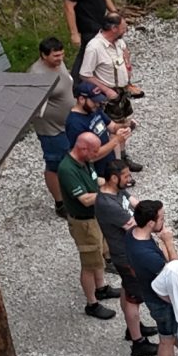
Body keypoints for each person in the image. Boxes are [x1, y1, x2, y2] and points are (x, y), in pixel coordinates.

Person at [56, 133, 121, 319]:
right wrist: (109, 193)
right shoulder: (67, 170)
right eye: (94, 151)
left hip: (95, 217)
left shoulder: (86, 160)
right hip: (83, 223)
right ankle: (91, 303)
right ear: (83, 148)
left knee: (98, 253)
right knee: (89, 263)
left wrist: (112, 181)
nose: (97, 154)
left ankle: (101, 287)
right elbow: (84, 199)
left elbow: (95, 181)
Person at [123, 200, 178, 356]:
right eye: (162, 218)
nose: (164, 222)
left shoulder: (132, 234)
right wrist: (168, 242)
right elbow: (175, 271)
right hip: (160, 301)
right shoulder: (146, 254)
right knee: (166, 340)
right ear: (150, 223)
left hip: (149, 290)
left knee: (175, 332)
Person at [97, 173, 156, 356]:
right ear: (113, 178)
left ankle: (134, 329)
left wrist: (147, 210)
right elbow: (132, 225)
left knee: (126, 289)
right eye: (125, 175)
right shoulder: (108, 204)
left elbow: (134, 203)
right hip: (125, 256)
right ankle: (138, 343)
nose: (129, 178)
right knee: (133, 298)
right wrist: (151, 224)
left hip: (125, 255)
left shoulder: (118, 192)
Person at [30, 37, 77, 209]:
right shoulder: (36, 75)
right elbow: (33, 106)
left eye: (62, 54)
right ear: (43, 55)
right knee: (54, 164)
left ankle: (71, 191)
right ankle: (60, 203)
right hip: (51, 129)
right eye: (56, 56)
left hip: (68, 123)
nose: (60, 59)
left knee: (70, 158)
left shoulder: (59, 64)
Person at [80, 15, 141, 100]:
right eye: (123, 28)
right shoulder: (94, 47)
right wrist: (107, 90)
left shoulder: (119, 41)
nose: (125, 31)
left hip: (122, 92)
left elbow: (126, 57)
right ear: (114, 28)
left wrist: (128, 75)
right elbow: (85, 75)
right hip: (106, 95)